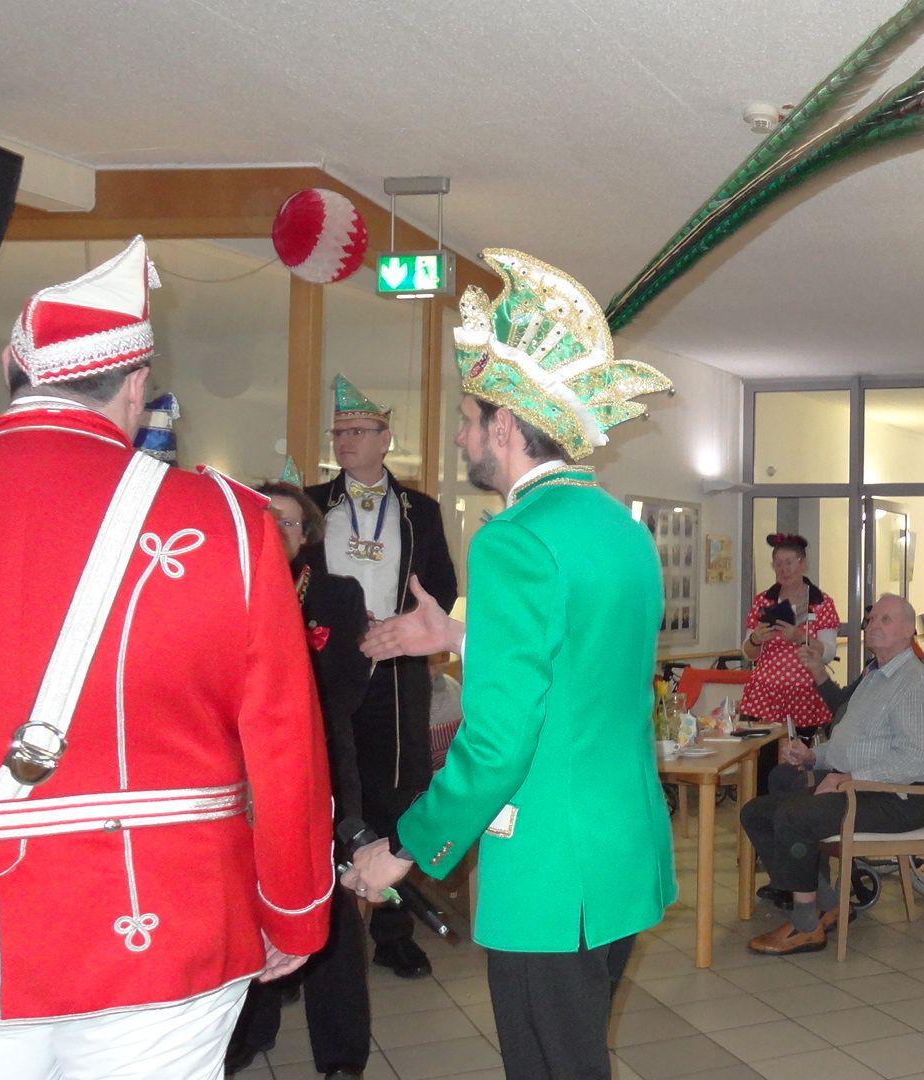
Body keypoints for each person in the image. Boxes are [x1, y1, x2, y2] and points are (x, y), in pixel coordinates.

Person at [0, 237, 334, 1078]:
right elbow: (284, 745)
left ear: (14, 375)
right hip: (165, 929)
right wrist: (294, 910)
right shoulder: (226, 523)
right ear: (136, 385)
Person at [343, 246, 675, 1080]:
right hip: (620, 850)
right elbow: (582, 666)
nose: (459, 434)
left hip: (551, 868)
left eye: (466, 418)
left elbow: (498, 743)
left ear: (505, 427)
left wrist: (405, 845)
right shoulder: (622, 530)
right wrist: (461, 640)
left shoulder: (513, 541)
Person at [304, 374, 459, 979]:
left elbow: (440, 586)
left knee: (398, 792)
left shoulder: (422, 511)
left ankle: (393, 931)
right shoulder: (311, 505)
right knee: (325, 794)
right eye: (338, 432)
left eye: (358, 431)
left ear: (385, 439)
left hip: (397, 671)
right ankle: (317, 936)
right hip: (327, 668)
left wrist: (404, 626)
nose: (344, 440)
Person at [226, 478, 372, 1079]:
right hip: (241, 774)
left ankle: (341, 1054)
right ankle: (251, 1029)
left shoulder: (337, 593)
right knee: (246, 904)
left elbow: (348, 686)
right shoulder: (227, 586)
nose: (275, 530)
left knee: (330, 908)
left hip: (321, 764)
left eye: (286, 522)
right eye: (264, 519)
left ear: (307, 533)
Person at [740, 594, 924, 956]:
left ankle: (806, 927)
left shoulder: (915, 683)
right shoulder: (874, 676)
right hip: (861, 787)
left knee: (794, 815)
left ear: (908, 631)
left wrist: (848, 777)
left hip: (899, 799)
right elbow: (849, 743)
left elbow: (915, 761)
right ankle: (827, 904)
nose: (873, 625)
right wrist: (811, 756)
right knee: (757, 813)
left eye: (885, 619)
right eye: (872, 619)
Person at [737, 533, 841, 791]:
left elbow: (828, 652)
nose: (783, 569)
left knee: (797, 761)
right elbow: (748, 652)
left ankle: (793, 805)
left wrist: (799, 637)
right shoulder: (764, 600)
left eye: (789, 563)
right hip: (765, 694)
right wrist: (756, 639)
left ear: (803, 564)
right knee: (762, 759)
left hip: (804, 693)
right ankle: (761, 804)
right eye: (778, 564)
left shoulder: (820, 602)